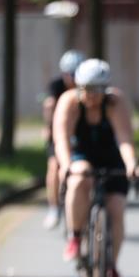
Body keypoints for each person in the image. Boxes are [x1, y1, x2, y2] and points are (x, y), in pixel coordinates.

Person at [52, 59, 139, 277]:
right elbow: (61, 140)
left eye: (98, 91)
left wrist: (131, 164)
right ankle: (75, 236)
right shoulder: (69, 102)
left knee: (117, 209)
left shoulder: (115, 102)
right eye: (87, 90)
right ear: (78, 87)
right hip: (81, 153)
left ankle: (111, 265)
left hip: (110, 156)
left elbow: (124, 138)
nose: (92, 97)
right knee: (80, 177)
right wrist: (64, 166)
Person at [42, 50, 86, 230]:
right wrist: (48, 127)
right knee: (54, 166)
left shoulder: (87, 86)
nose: (73, 78)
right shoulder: (56, 85)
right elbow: (49, 104)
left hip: (81, 132)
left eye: (76, 74)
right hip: (59, 131)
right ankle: (54, 208)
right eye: (69, 74)